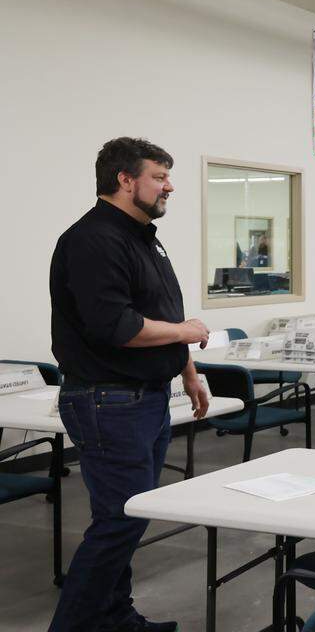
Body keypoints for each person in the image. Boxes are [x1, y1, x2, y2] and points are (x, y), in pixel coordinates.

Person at [48, 137, 211, 632]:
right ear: (124, 180)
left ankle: (116, 619)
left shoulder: (143, 236)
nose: (169, 186)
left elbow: (157, 313)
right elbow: (117, 326)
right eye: (159, 177)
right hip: (108, 399)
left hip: (143, 399)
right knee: (121, 521)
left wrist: (187, 369)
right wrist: (187, 334)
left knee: (125, 516)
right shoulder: (94, 239)